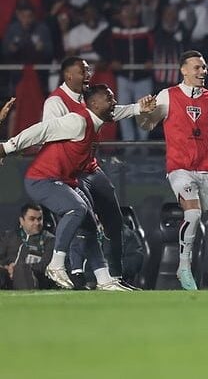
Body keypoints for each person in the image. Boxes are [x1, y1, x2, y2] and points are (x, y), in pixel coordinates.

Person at [0, 85, 135, 291]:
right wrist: (9, 147)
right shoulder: (78, 121)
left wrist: (138, 109)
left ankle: (104, 279)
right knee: (77, 209)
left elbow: (118, 112)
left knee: (90, 227)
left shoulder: (96, 122)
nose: (114, 103)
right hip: (41, 178)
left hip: (63, 180)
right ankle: (56, 264)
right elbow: (42, 129)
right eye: (110, 99)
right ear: (94, 104)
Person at [136, 50, 208, 290]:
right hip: (180, 168)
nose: (202, 72)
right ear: (183, 70)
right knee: (193, 214)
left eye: (204, 68)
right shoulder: (168, 95)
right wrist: (143, 113)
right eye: (197, 67)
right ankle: (184, 269)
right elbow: (147, 125)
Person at [43, 56, 153, 286]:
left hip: (91, 168)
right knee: (83, 219)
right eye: (83, 71)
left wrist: (137, 108)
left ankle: (115, 276)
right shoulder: (55, 103)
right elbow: (48, 135)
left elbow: (111, 112)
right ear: (69, 76)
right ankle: (74, 271)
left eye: (88, 70)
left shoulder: (89, 98)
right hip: (70, 172)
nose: (88, 75)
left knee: (113, 219)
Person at [0, 204, 55, 290]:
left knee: (22, 270)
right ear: (22, 221)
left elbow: (44, 265)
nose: (37, 223)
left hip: (32, 278)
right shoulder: (9, 236)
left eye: (39, 219)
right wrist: (7, 268)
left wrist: (17, 268)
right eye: (32, 219)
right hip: (6, 276)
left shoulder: (49, 240)